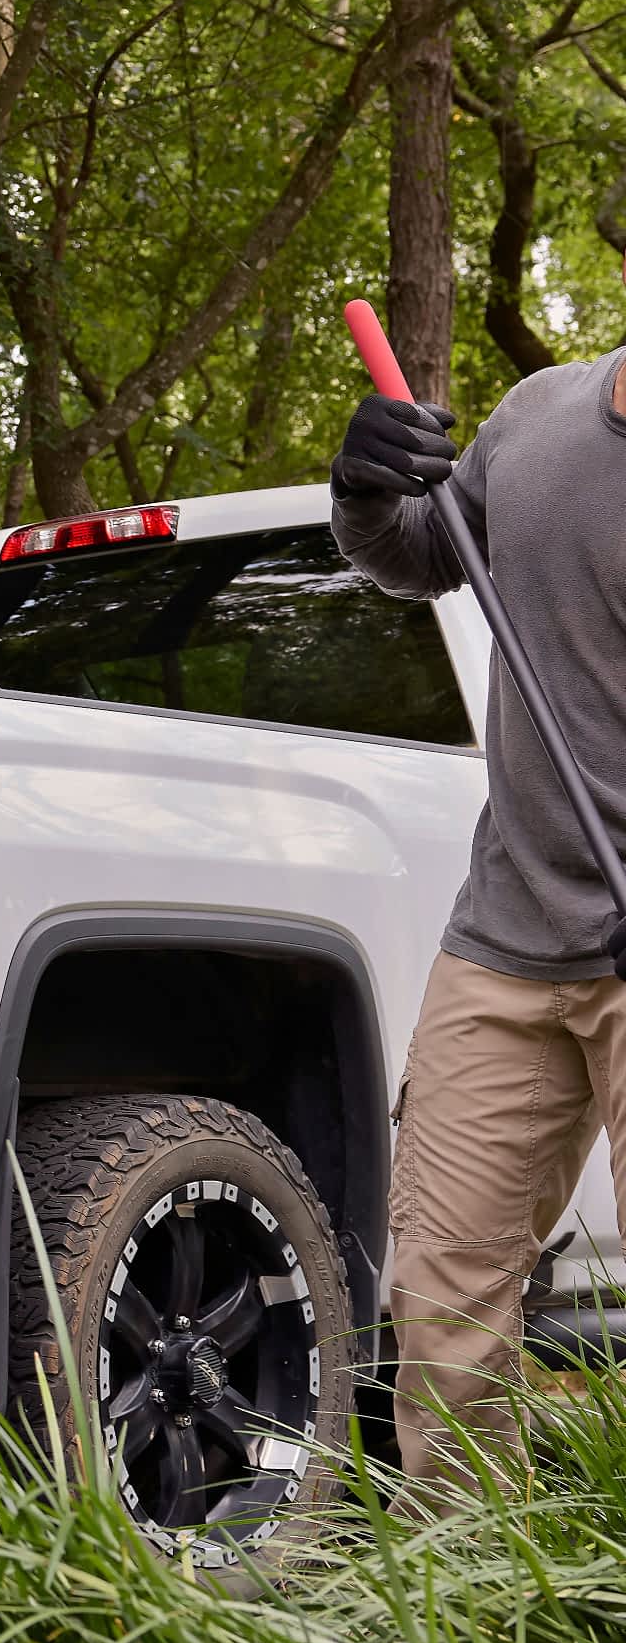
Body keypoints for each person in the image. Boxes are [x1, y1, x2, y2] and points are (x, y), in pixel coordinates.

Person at [332, 354, 626, 1481]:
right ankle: (473, 1601)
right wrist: (366, 489)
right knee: (441, 1298)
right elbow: (417, 556)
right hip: (505, 939)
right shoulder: (539, 415)